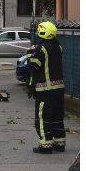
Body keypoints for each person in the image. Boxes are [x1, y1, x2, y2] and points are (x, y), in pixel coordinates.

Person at [27, 20, 66, 154]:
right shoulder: (58, 47)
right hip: (59, 90)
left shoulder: (41, 48)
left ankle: (45, 146)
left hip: (45, 91)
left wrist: (29, 54)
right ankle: (59, 143)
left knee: (43, 118)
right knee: (57, 117)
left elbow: (34, 67)